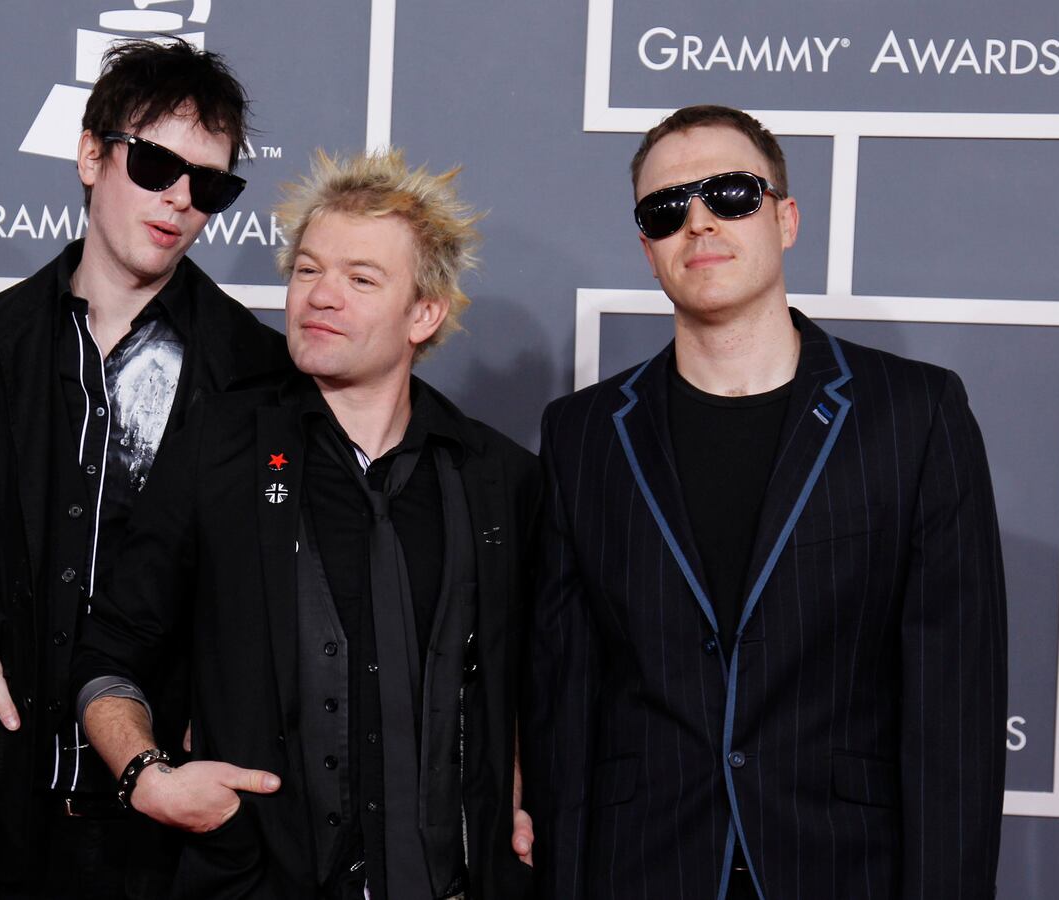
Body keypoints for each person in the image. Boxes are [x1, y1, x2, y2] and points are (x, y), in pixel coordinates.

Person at [528, 104, 1007, 900]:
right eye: (667, 210)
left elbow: (953, 709)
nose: (700, 222)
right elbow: (566, 701)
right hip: (645, 867)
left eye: (732, 195)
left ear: (785, 218)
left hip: (846, 867)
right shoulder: (583, 435)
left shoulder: (914, 414)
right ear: (648, 249)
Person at [73, 148, 540, 899]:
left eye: (360, 279)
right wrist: (146, 776)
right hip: (253, 881)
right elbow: (109, 651)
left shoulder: (497, 479)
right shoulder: (218, 448)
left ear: (425, 313)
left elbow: (530, 681)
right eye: (308, 270)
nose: (320, 296)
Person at [0, 40, 288, 899]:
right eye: (156, 164)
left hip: (177, 827)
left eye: (212, 186)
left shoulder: (259, 374)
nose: (180, 201)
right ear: (92, 153)